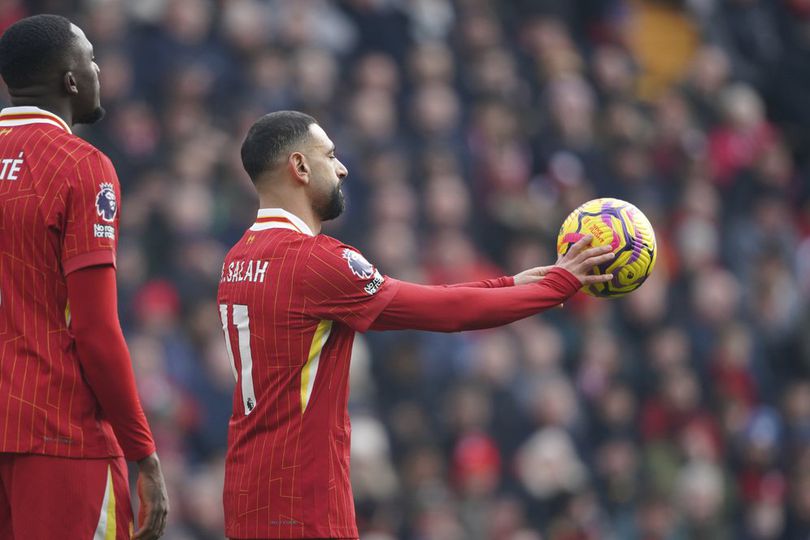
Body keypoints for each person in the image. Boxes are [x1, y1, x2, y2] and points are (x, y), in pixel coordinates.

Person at [217, 110, 614, 540]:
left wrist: (507, 284)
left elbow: (426, 297)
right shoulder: (316, 260)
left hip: (248, 498)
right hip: (304, 504)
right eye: (329, 156)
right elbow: (445, 312)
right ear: (299, 166)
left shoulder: (237, 259)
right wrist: (558, 285)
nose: (342, 168)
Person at [0, 14, 168, 540]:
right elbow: (95, 330)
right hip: (57, 431)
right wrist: (143, 452)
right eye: (92, 59)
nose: (99, 71)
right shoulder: (80, 166)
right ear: (71, 81)